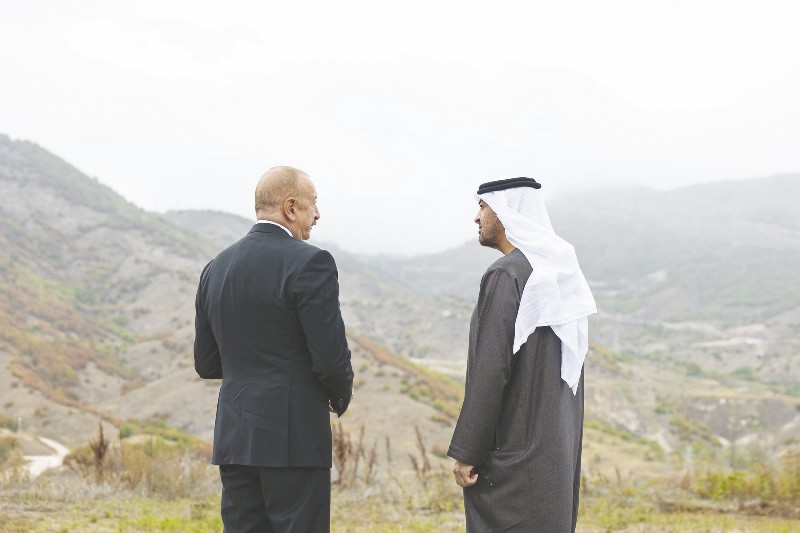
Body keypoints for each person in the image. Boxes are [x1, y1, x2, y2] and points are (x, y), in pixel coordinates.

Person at [194, 166, 354, 532]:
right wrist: (338, 395)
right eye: (313, 204)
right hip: (293, 436)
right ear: (291, 207)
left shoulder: (214, 268)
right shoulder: (311, 262)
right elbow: (330, 358)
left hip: (234, 435)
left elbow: (206, 363)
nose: (318, 214)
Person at [448, 177, 596, 532]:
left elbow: (490, 371)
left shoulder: (507, 274)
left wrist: (467, 452)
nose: (476, 217)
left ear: (505, 211)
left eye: (483, 207)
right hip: (555, 452)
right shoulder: (559, 275)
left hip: (513, 458)